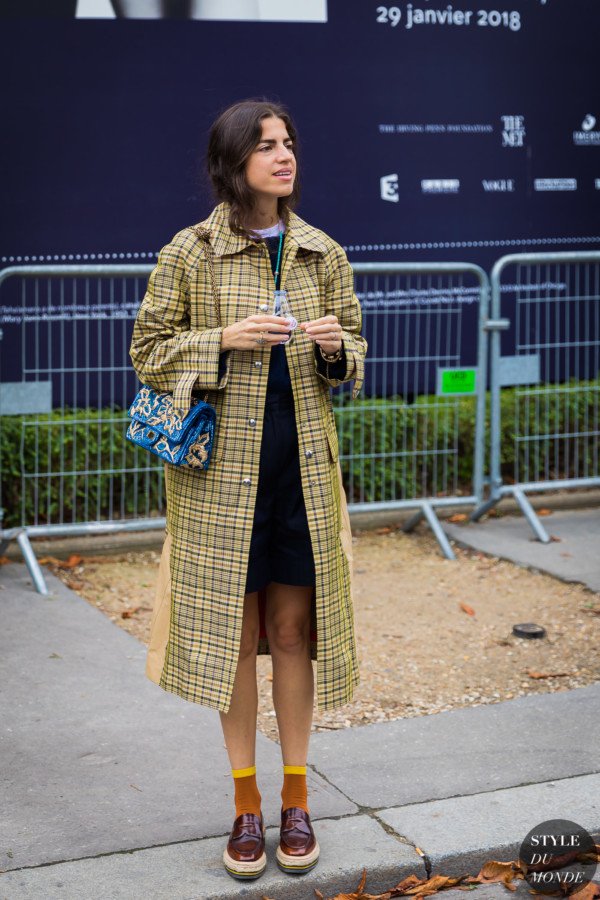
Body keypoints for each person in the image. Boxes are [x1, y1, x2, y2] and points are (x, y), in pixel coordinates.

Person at [129, 98, 367, 881]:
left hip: (302, 474)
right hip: (215, 482)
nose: (284, 155)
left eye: (289, 141)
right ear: (233, 162)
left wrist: (337, 348)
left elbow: (357, 354)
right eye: (266, 145)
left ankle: (297, 797)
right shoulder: (189, 252)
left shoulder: (320, 252)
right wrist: (221, 340)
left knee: (294, 632)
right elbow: (148, 352)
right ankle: (245, 806)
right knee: (235, 638)